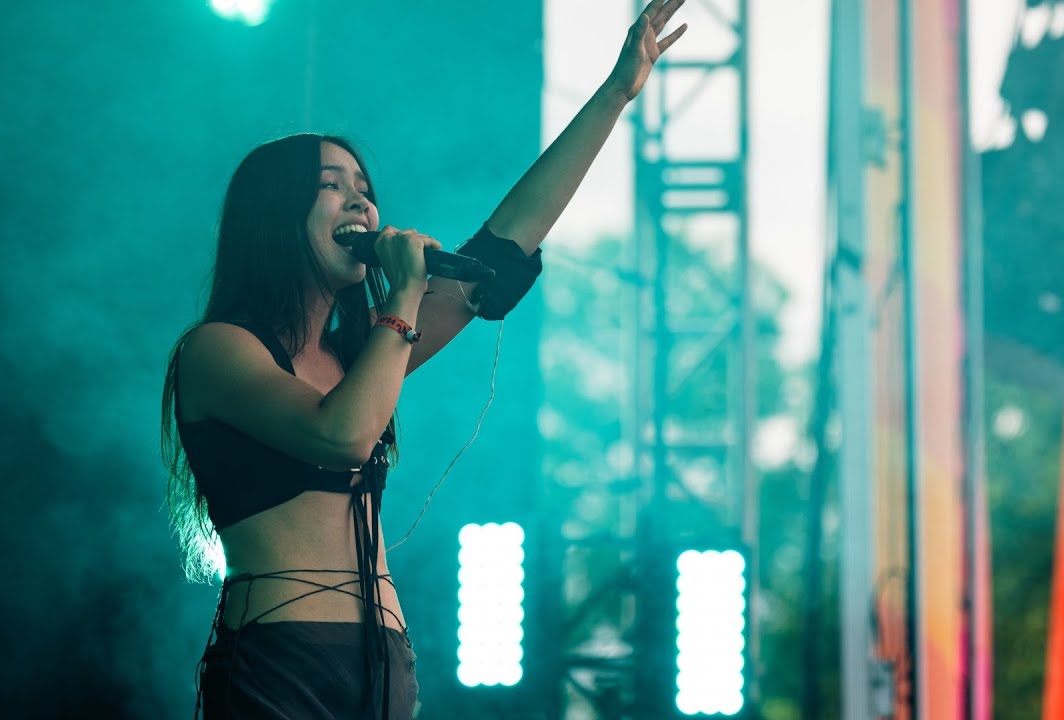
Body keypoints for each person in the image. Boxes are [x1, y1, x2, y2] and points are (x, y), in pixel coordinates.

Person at [159, 1, 688, 717]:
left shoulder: (361, 355)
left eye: (365, 190)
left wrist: (614, 94)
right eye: (332, 186)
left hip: (384, 662)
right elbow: (339, 435)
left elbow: (506, 243)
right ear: (274, 216)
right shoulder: (218, 349)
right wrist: (405, 292)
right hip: (278, 659)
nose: (362, 204)